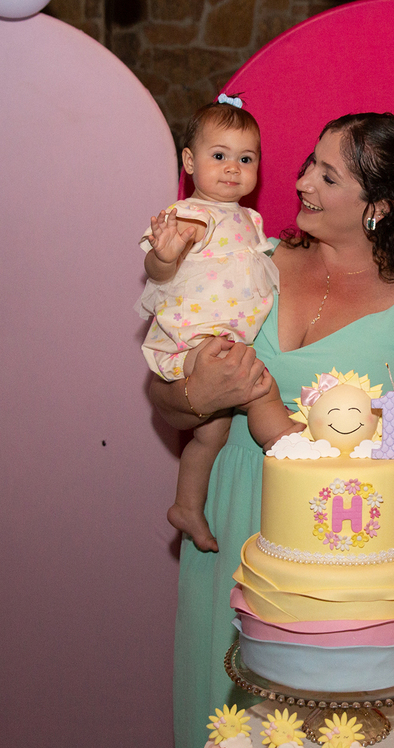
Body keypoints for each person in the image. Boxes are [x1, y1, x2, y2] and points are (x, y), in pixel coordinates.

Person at [148, 112, 394, 748]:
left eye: (328, 175)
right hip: (229, 538)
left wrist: (342, 433)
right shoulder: (252, 260)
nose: (301, 180)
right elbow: (165, 402)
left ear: (379, 208)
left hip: (345, 568)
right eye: (308, 162)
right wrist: (195, 392)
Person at [137, 93, 298, 553]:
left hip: (221, 337)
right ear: (189, 162)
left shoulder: (248, 217)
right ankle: (286, 442)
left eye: (245, 159)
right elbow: (159, 270)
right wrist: (164, 257)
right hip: (197, 338)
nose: (233, 168)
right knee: (259, 384)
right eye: (219, 156)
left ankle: (187, 505)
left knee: (212, 433)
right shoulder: (192, 215)